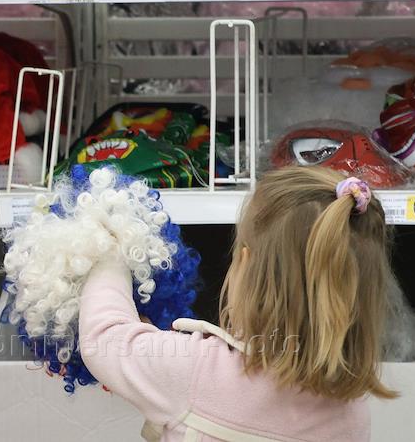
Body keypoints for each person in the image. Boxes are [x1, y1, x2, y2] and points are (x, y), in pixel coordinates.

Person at [79, 166, 394, 441]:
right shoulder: (351, 413)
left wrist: (113, 244)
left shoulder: (197, 370)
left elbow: (104, 337)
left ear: (245, 263)